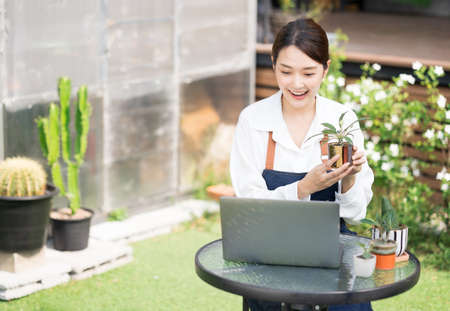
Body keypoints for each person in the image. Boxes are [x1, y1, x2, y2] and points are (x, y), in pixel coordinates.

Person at [229, 18, 374, 311]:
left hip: (334, 254)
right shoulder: (253, 120)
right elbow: (248, 208)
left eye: (308, 72)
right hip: (268, 253)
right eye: (286, 71)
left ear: (326, 69)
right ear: (273, 65)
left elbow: (356, 215)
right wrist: (305, 187)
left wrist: (349, 179)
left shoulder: (341, 119)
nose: (296, 84)